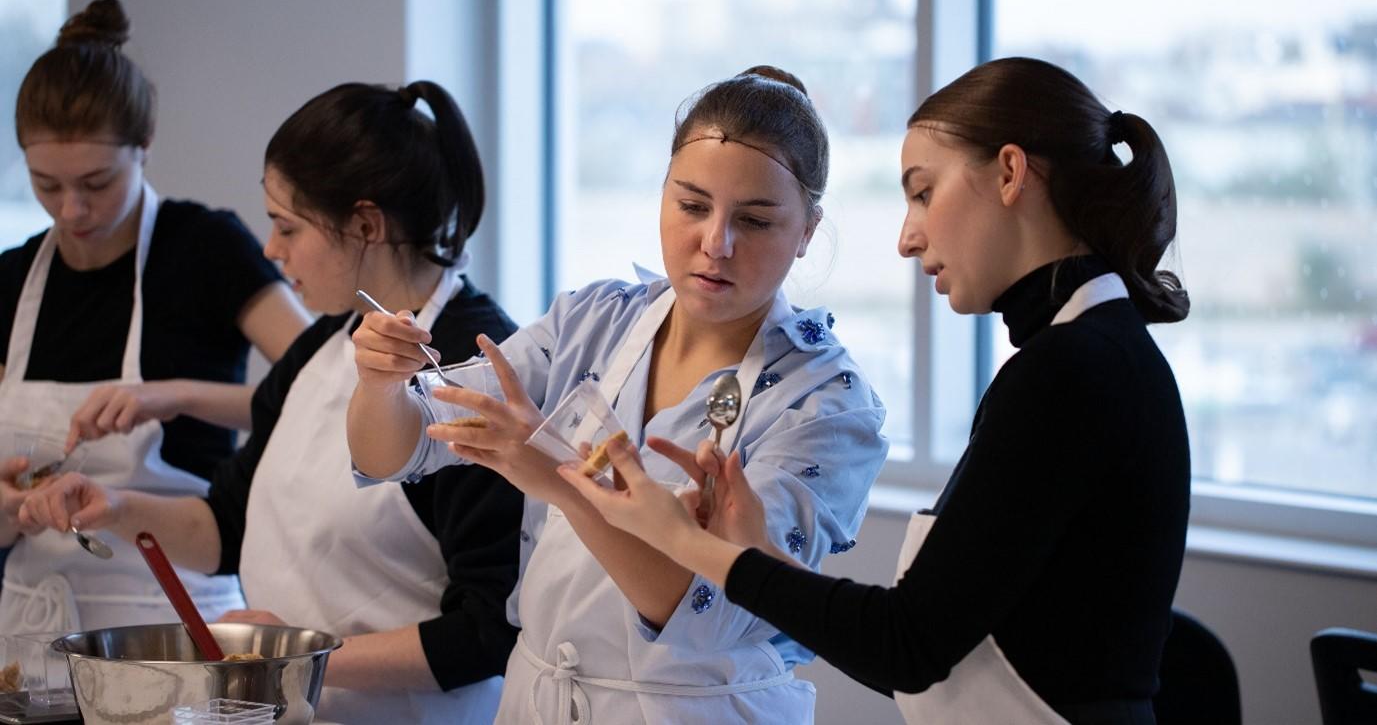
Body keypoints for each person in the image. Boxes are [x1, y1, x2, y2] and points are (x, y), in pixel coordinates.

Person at [561, 56, 1192, 725]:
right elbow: (929, 627)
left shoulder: (1071, 371)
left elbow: (908, 643)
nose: (906, 236)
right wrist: (757, 558)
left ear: (1009, 172)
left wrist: (685, 542)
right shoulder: (1086, 354)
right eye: (691, 204)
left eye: (922, 192)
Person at [348, 66, 889, 723]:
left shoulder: (826, 403)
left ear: (806, 229)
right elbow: (397, 450)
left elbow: (701, 611)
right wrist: (381, 384)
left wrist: (557, 477)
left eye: (754, 220)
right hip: (539, 696)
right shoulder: (591, 321)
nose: (714, 243)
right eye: (691, 205)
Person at [19, 80, 523, 723]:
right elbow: (225, 528)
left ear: (365, 224)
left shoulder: (471, 370)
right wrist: (114, 507)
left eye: (287, 226)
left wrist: (292, 659)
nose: (270, 249)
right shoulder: (319, 347)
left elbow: (489, 628)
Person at [0, 0, 308, 633]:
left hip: (175, 606)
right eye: (46, 184)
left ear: (144, 145)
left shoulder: (204, 249)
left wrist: (174, 396)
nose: (72, 209)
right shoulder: (11, 278)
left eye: (96, 182)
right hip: (31, 619)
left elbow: (317, 390)